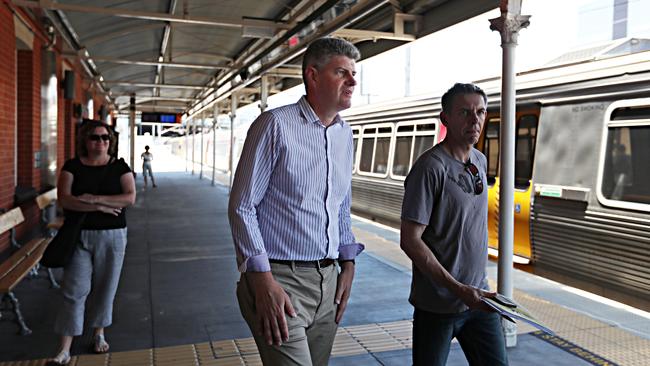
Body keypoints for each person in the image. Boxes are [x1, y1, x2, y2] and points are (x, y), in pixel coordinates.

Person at [228, 37, 364, 366]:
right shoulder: (274, 125)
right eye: (341, 72)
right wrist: (262, 282)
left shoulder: (345, 135)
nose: (352, 81)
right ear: (313, 76)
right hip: (279, 281)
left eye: (354, 74)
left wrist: (348, 263)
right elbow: (242, 207)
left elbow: (340, 206)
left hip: (328, 281)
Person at [400, 83, 509, 366]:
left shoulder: (480, 161)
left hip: (479, 299)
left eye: (481, 112)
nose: (475, 120)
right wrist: (457, 288)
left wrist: (472, 290)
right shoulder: (430, 168)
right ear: (445, 118)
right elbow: (410, 240)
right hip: (437, 305)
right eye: (465, 112)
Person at [48, 120, 136, 365]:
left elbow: (129, 198)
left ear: (111, 141)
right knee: (73, 290)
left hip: (113, 236)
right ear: (84, 141)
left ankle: (99, 333)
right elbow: (65, 200)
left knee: (106, 287)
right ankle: (64, 348)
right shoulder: (72, 167)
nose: (101, 142)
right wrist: (99, 206)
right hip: (78, 235)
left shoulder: (120, 167)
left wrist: (93, 198)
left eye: (105, 138)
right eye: (95, 138)